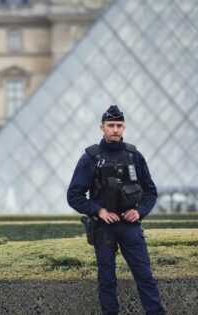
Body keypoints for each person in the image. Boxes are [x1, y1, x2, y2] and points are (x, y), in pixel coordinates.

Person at [67, 105, 165, 315]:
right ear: (101, 127)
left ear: (124, 127)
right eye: (111, 125)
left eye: (119, 125)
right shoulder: (91, 158)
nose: (115, 129)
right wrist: (99, 210)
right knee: (107, 280)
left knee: (145, 277)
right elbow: (73, 196)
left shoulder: (134, 156)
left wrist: (139, 212)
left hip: (130, 225)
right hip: (104, 227)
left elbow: (151, 192)